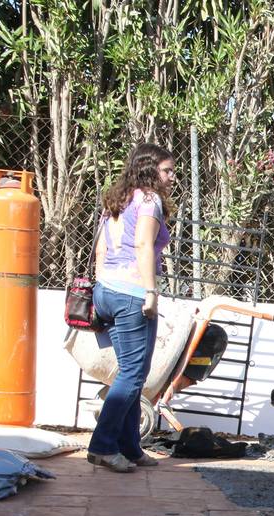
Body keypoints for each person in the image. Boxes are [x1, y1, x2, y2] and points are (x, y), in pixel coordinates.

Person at [88, 142, 176, 472]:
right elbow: (142, 244)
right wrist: (150, 291)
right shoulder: (149, 201)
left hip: (107, 290)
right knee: (133, 374)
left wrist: (101, 286)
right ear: (149, 170)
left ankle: (129, 446)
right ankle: (103, 446)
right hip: (132, 293)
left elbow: (99, 247)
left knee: (131, 374)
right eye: (166, 171)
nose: (171, 177)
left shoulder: (118, 198)